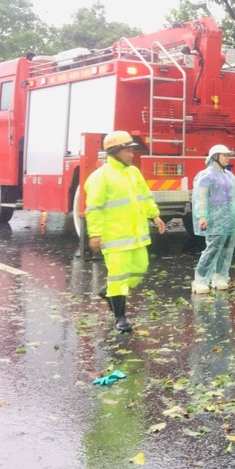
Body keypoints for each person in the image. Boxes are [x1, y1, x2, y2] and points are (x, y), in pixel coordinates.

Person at [85, 130, 167, 332]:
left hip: (137, 235)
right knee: (118, 278)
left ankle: (109, 292)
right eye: (128, 150)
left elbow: (145, 196)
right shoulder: (100, 177)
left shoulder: (133, 172)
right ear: (114, 151)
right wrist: (94, 234)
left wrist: (154, 215)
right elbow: (93, 208)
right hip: (115, 239)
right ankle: (120, 318)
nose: (132, 154)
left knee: (140, 269)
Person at [190, 144, 235, 294]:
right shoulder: (206, 175)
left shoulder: (229, 176)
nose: (228, 158)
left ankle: (220, 277)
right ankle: (200, 280)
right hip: (214, 218)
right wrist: (202, 216)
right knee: (213, 248)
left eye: (229, 155)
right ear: (215, 156)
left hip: (228, 218)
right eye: (225, 155)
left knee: (227, 248)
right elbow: (200, 197)